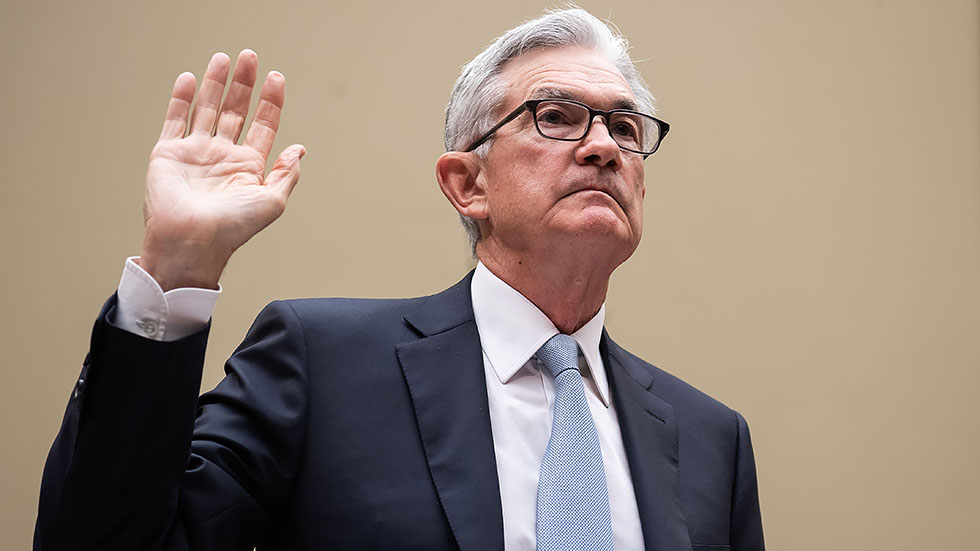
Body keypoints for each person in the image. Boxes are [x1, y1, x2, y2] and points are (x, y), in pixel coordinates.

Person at [35, 8, 764, 551]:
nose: (603, 146)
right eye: (555, 117)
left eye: (626, 128)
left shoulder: (712, 439)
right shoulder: (323, 364)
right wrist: (176, 270)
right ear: (466, 183)